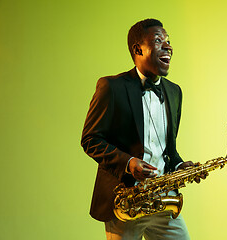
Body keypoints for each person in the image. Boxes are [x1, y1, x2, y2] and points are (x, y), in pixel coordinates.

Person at [81, 18, 202, 240]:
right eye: (158, 40)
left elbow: (168, 148)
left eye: (168, 40)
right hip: (126, 201)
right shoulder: (111, 87)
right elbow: (90, 139)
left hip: (164, 200)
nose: (168, 46)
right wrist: (128, 163)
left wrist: (179, 164)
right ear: (138, 49)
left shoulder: (175, 92)